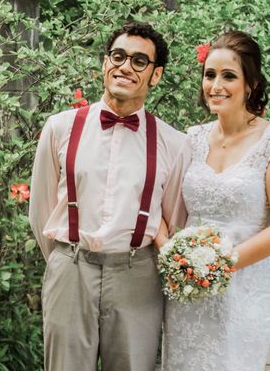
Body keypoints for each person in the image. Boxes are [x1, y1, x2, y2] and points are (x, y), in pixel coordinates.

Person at [29, 21, 188, 371]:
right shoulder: (60, 127)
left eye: (139, 61)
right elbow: (40, 210)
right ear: (105, 64)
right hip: (70, 268)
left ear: (155, 75)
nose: (125, 67)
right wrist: (65, 263)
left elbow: (173, 218)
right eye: (118, 56)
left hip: (137, 274)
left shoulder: (173, 143)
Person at [160, 31, 270, 371]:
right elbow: (159, 210)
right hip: (189, 288)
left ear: (250, 83)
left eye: (228, 76)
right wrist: (175, 259)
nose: (215, 85)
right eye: (209, 75)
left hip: (244, 287)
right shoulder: (192, 138)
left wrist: (223, 264)